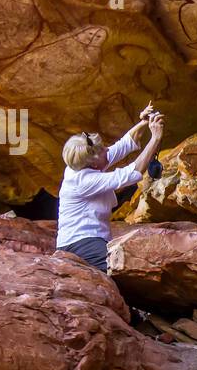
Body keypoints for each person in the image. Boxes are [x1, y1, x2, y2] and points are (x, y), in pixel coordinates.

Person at [56, 105, 164, 272]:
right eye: (101, 150)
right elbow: (132, 172)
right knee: (124, 269)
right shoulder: (83, 180)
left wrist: (143, 123)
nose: (106, 149)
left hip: (90, 240)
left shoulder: (82, 164)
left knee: (128, 265)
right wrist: (155, 139)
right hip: (80, 243)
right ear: (92, 162)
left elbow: (123, 146)